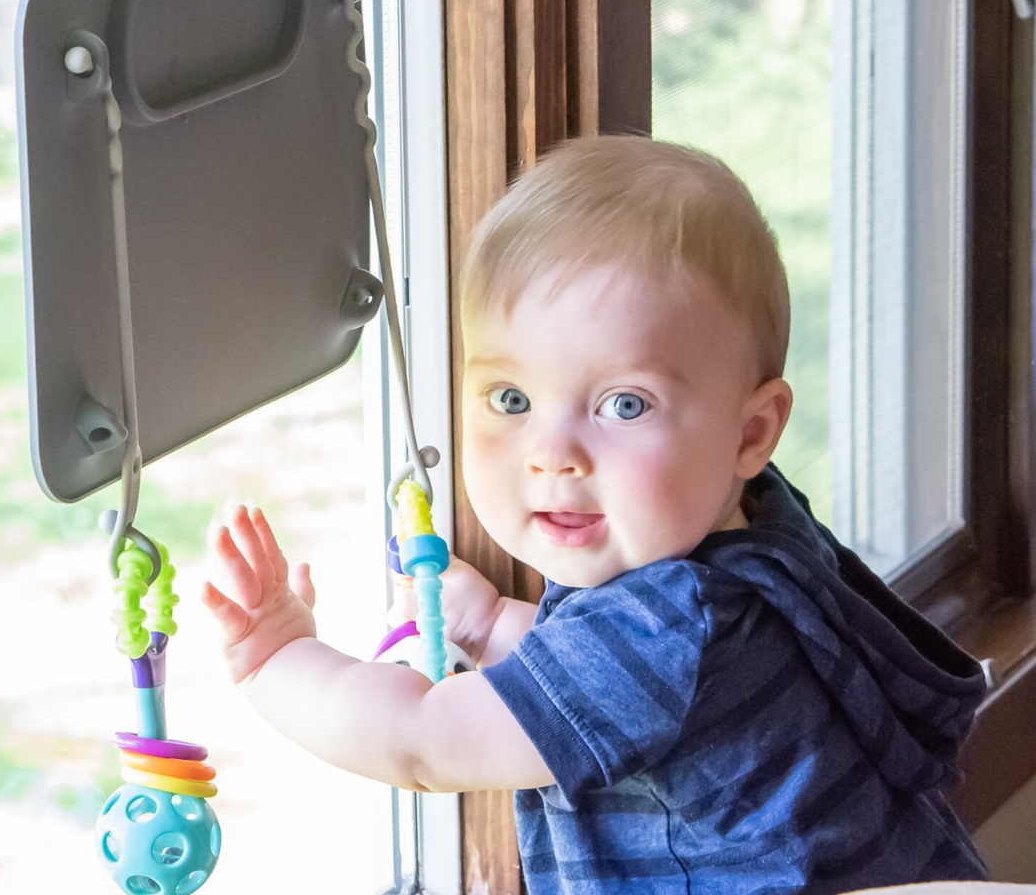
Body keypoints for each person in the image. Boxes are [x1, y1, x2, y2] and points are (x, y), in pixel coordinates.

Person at [203, 134, 988, 894]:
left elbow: (425, 742)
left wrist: (277, 658)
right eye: (511, 399)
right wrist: (494, 623)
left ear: (750, 431)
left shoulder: (673, 627)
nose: (552, 455)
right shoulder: (754, 526)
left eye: (623, 403)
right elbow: (632, 689)